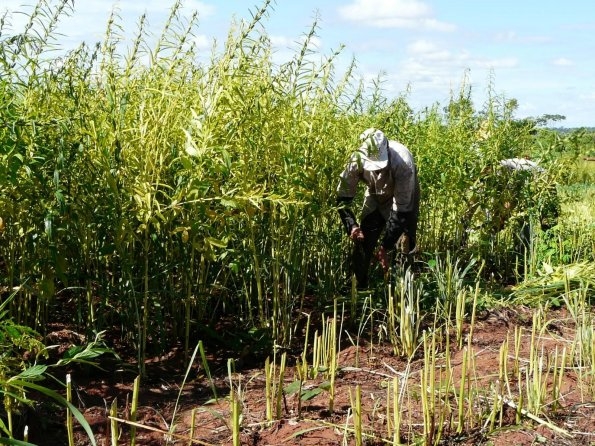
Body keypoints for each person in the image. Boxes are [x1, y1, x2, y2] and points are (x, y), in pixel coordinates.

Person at [336, 128, 420, 289]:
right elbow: (342, 198)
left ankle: (400, 290)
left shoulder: (403, 162)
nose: (376, 170)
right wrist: (352, 226)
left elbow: (402, 211)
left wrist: (385, 247)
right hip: (374, 194)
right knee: (364, 238)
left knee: (403, 241)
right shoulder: (356, 160)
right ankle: (359, 287)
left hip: (402, 197)